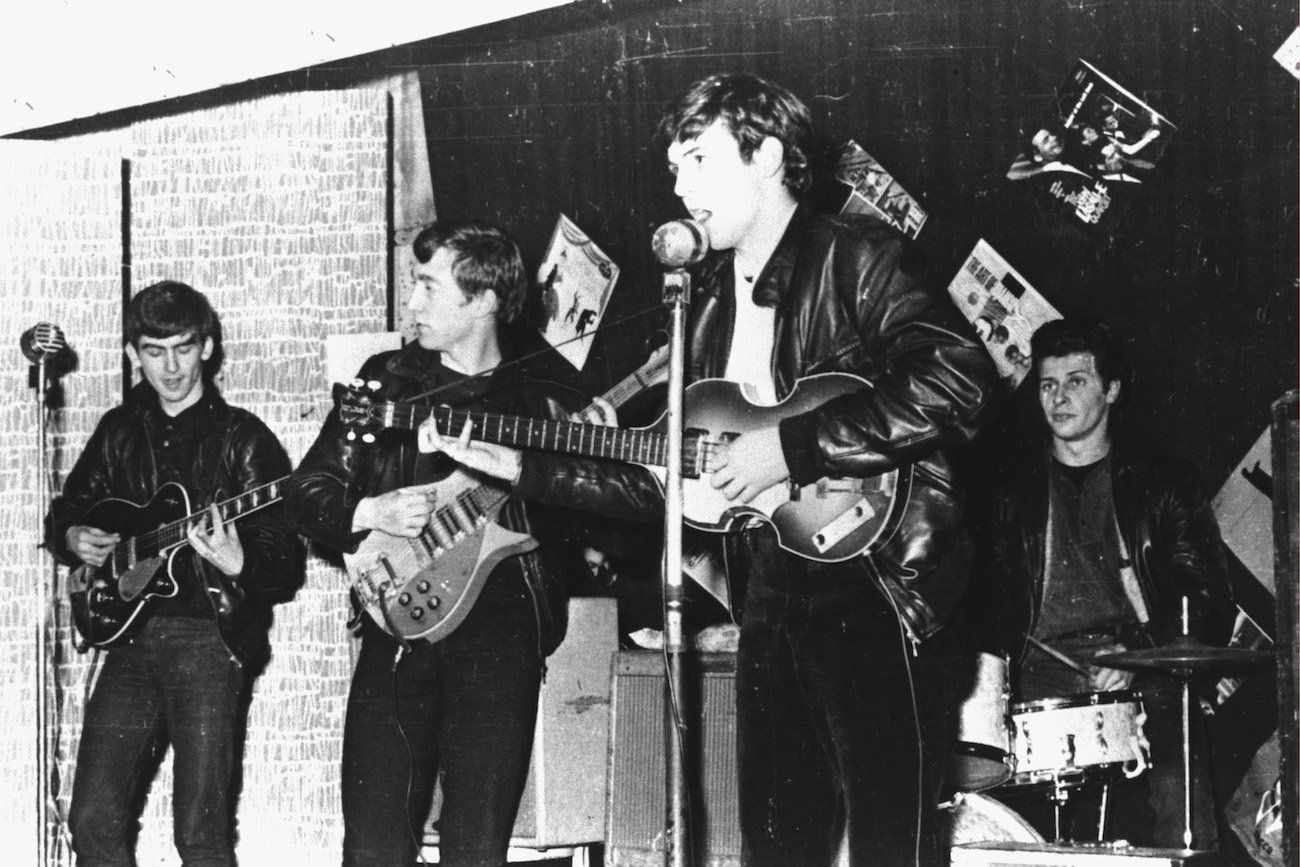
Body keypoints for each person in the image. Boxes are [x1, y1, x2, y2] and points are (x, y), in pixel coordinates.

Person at [442, 73, 997, 865]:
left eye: (698, 160)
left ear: (768, 154)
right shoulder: (701, 303)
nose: (679, 186)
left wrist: (795, 446)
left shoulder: (857, 258)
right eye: (673, 167)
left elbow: (961, 378)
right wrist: (528, 467)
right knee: (773, 841)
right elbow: (671, 481)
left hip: (878, 577)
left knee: (891, 845)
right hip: (768, 587)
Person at [285, 220, 658, 866]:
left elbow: (635, 510)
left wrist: (577, 461)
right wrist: (370, 507)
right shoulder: (388, 382)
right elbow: (307, 491)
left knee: (477, 848)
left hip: (502, 636)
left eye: (429, 287)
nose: (412, 304)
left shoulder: (543, 403)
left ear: (485, 298)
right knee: (372, 843)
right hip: (396, 628)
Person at [46, 281, 302, 865]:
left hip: (208, 638)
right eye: (154, 351)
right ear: (134, 353)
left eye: (184, 349)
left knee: (200, 831)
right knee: (91, 819)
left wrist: (241, 562)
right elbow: (72, 506)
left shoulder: (244, 438)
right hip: (128, 638)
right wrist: (71, 536)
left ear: (207, 347)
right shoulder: (118, 430)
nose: (171, 367)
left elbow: (284, 562)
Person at [973, 317, 1235, 847]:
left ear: (1111, 390)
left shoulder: (1162, 482)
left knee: (1180, 801)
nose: (1059, 398)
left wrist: (1136, 654)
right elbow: (989, 601)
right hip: (1035, 673)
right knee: (982, 811)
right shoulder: (1009, 490)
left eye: (1076, 381)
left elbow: (1205, 598)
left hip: (1140, 666)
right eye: (1048, 384)